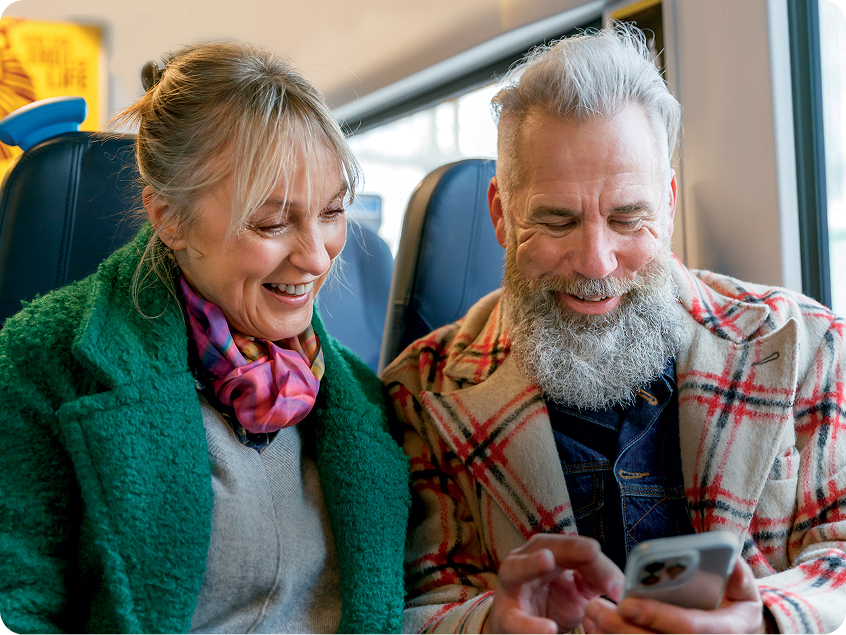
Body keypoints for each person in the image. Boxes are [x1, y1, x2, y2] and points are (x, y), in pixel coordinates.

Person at [383, 23, 846, 635]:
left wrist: (759, 623)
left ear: (670, 204)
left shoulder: (805, 344)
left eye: (629, 218)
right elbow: (410, 604)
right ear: (500, 213)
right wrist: (491, 625)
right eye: (556, 220)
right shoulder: (419, 393)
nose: (596, 263)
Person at [0, 41, 409, 635]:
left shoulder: (364, 396)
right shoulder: (41, 364)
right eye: (272, 222)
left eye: (333, 211)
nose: (317, 257)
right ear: (169, 217)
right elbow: (19, 609)